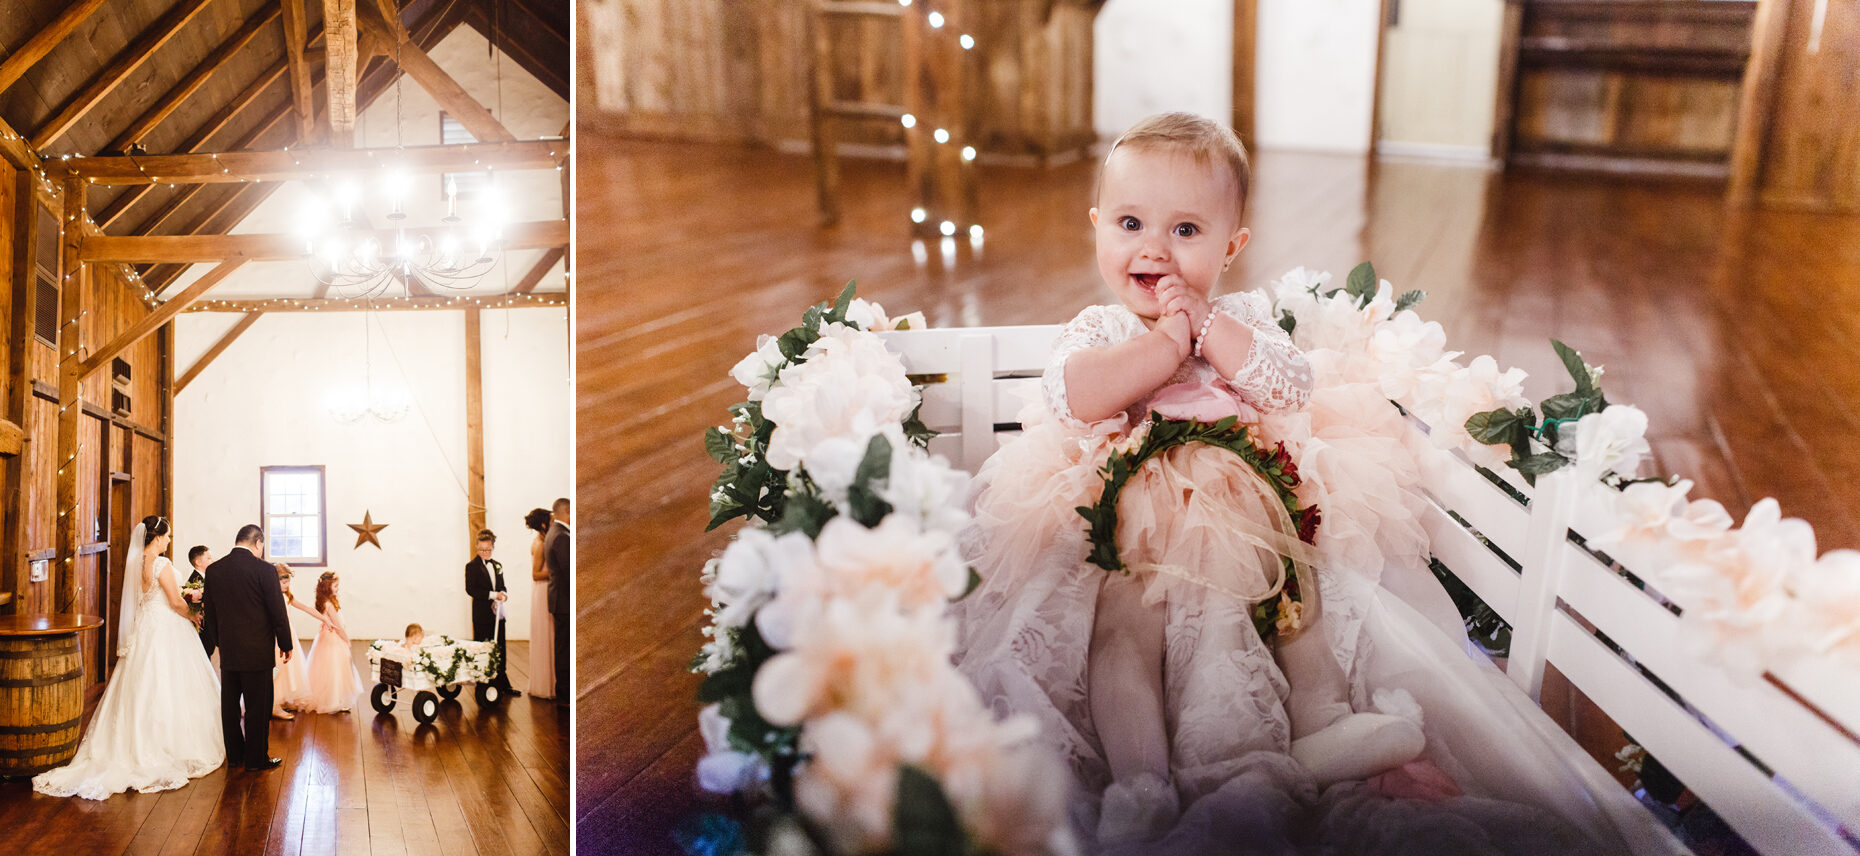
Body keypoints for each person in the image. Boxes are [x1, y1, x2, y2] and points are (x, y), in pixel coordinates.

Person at [954, 113, 1627, 852]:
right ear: (1097, 229)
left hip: (1253, 506)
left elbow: (1288, 384)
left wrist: (1207, 328)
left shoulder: (1238, 316)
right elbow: (1076, 397)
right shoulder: (1097, 328)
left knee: (1299, 608)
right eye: (1129, 222)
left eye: (1186, 231)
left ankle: (1325, 723)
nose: (1153, 247)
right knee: (1121, 635)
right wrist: (1164, 344)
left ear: (1231, 247)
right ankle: (1138, 781)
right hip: (1124, 515)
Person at [32, 516, 225, 798]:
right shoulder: (162, 564)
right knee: (170, 684)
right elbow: (175, 602)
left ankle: (128, 741)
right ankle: (169, 745)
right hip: (167, 628)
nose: (169, 541)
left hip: (145, 627)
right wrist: (196, 615)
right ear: (157, 537)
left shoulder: (135, 563)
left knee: (139, 684)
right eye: (168, 536)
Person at [199, 523, 293, 772]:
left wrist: (219, 641)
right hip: (258, 651)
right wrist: (285, 643)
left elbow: (210, 611)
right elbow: (277, 611)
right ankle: (256, 759)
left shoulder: (215, 569)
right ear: (258, 543)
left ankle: (235, 756)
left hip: (229, 649)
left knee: (230, 706)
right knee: (258, 707)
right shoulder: (264, 570)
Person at [464, 529, 520, 696]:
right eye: (481, 550)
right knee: (483, 647)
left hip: (498, 614)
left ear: (493, 547)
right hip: (482, 615)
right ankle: (484, 684)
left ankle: (502, 682)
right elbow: (471, 589)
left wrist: (503, 594)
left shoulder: (497, 565)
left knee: (500, 647)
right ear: (476, 548)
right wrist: (493, 595)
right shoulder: (471, 566)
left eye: (488, 549)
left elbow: (502, 586)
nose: (485, 553)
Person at [271, 563, 329, 719]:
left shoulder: (287, 596)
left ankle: (282, 699)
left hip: (289, 634)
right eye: (284, 582)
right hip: (278, 636)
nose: (287, 585)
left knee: (289, 669)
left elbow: (305, 607)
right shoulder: (272, 597)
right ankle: (274, 704)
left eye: (288, 582)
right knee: (279, 671)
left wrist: (323, 618)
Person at [302, 571, 363, 713]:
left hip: (325, 637)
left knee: (325, 669)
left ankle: (333, 698)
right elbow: (338, 625)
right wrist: (346, 639)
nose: (338, 589)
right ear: (327, 587)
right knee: (335, 670)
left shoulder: (325, 602)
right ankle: (334, 700)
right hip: (334, 639)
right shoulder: (329, 604)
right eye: (335, 586)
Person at [525, 507, 556, 699]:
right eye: (551, 520)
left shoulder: (543, 541)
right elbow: (536, 574)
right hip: (543, 589)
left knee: (549, 635)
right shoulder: (540, 545)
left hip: (544, 590)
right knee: (546, 634)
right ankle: (547, 685)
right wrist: (556, 572)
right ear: (544, 525)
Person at [544, 497, 570, 706]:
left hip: (559, 599)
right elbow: (567, 570)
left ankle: (564, 692)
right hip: (564, 600)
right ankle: (564, 694)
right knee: (564, 649)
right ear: (568, 511)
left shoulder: (554, 532)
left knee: (563, 647)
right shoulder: (561, 536)